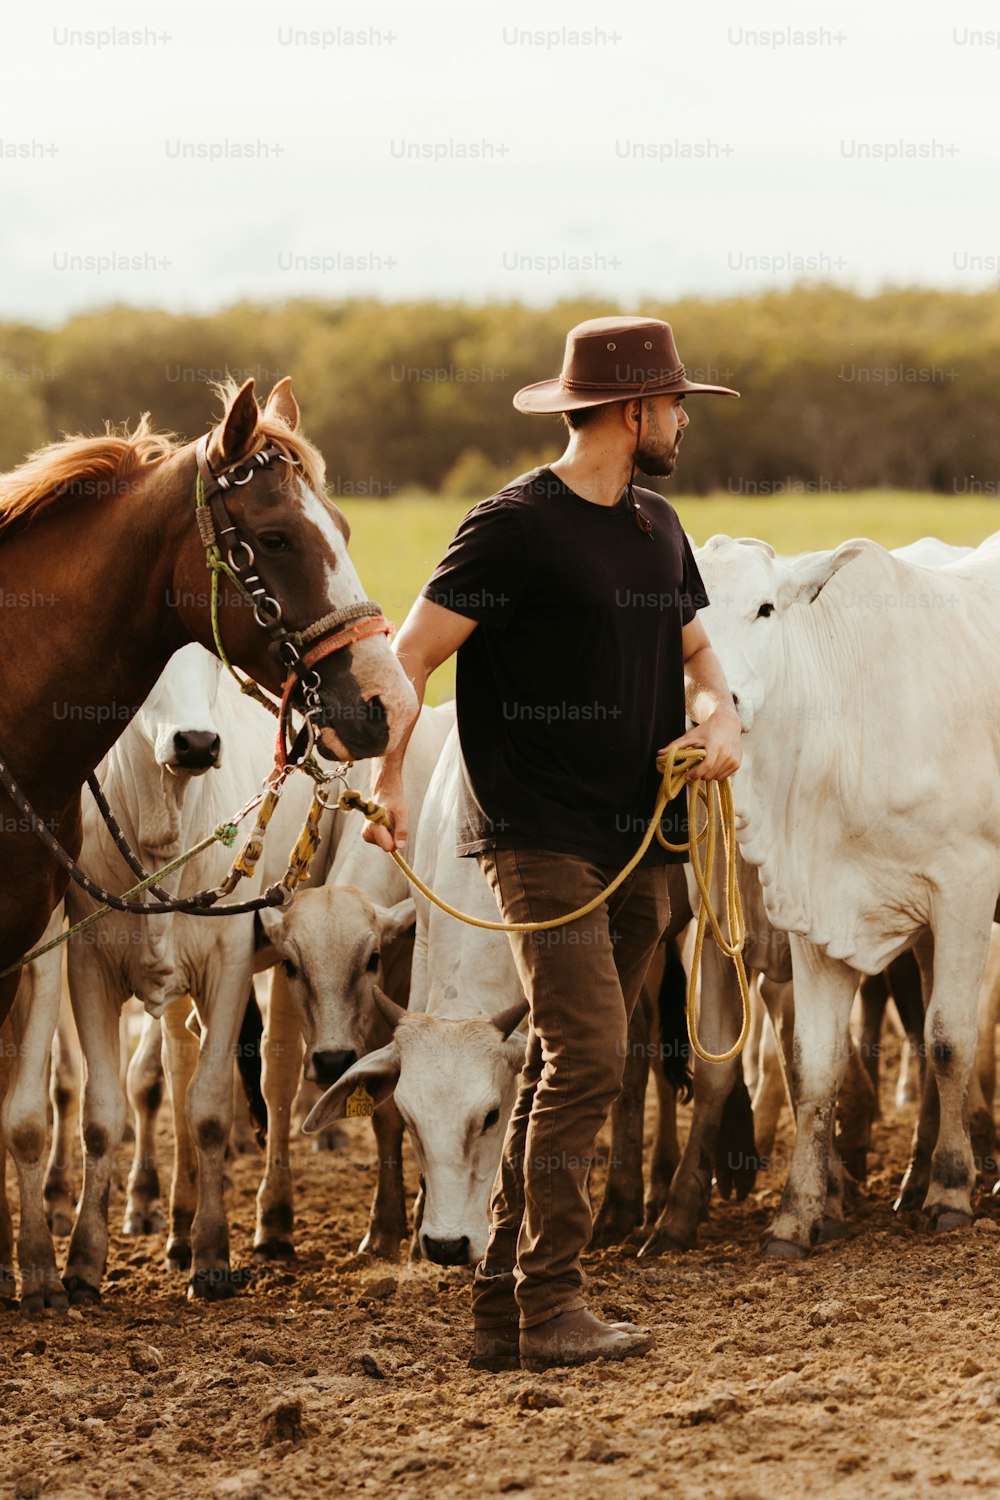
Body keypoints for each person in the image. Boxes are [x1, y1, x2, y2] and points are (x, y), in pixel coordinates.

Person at [363, 315, 743, 1371]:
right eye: (673, 404)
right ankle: (553, 1300)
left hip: (640, 842)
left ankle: (504, 1311)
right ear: (631, 411)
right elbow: (411, 656)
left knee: (567, 1065)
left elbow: (701, 653)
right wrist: (390, 781)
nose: (680, 421)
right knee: (585, 1054)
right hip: (537, 837)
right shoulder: (512, 528)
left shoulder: (656, 526)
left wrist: (721, 719)